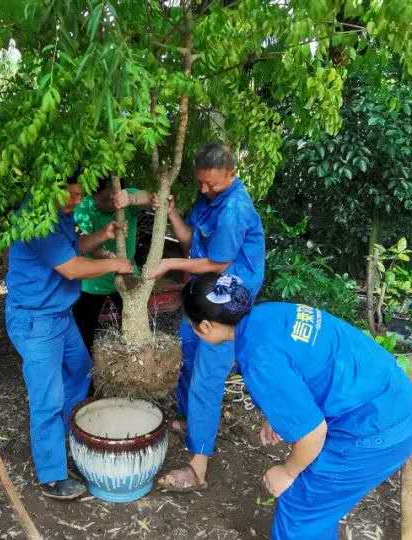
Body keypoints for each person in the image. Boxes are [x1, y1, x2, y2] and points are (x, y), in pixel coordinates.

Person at [183, 273, 412, 539]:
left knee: (300, 511)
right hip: (394, 397)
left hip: (376, 429)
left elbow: (313, 433)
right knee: (314, 508)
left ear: (204, 326)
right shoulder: (270, 313)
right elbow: (303, 364)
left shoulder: (257, 356)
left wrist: (286, 471)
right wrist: (278, 413)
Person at [5, 174, 135, 500]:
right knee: (46, 398)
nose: (77, 201)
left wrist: (102, 235)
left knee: (81, 369)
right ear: (48, 187)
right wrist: (116, 264)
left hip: (58, 315)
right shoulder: (36, 220)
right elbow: (72, 268)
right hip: (36, 321)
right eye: (72, 194)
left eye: (80, 194)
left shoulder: (59, 214)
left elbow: (73, 247)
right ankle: (52, 477)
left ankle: (67, 436)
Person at [146, 142, 265, 492]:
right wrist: (171, 214)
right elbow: (191, 243)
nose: (204, 189)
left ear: (232, 174)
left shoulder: (234, 211)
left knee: (206, 379)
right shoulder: (210, 198)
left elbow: (216, 263)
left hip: (226, 304)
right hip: (202, 294)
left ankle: (198, 468)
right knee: (187, 358)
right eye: (200, 182)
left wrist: (168, 264)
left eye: (211, 184)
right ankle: (189, 418)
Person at [72, 178, 158, 352]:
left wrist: (131, 198)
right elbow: (83, 245)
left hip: (127, 275)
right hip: (93, 281)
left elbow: (154, 198)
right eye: (106, 199)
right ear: (94, 195)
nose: (112, 202)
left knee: (134, 327)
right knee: (84, 335)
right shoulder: (84, 207)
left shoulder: (126, 197)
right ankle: (86, 375)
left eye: (115, 198)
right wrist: (109, 257)